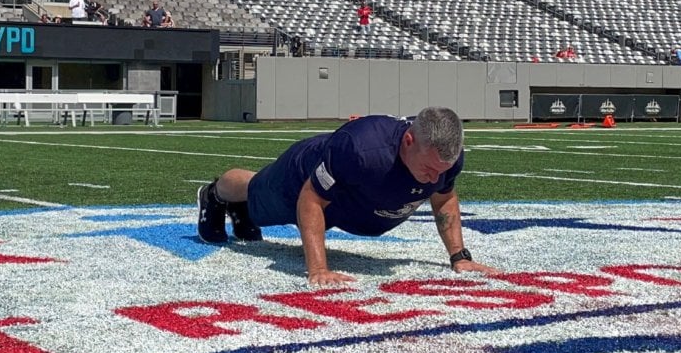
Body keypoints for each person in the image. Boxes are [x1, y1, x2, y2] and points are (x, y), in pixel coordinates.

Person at [197, 107, 500, 286]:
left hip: (353, 202)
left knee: (259, 209)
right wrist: (318, 269)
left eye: (441, 171)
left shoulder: (444, 161)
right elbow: (311, 198)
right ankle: (214, 195)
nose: (434, 178)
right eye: (428, 169)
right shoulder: (361, 149)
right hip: (303, 177)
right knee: (256, 191)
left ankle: (243, 212)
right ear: (408, 141)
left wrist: (460, 258)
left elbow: (444, 198)